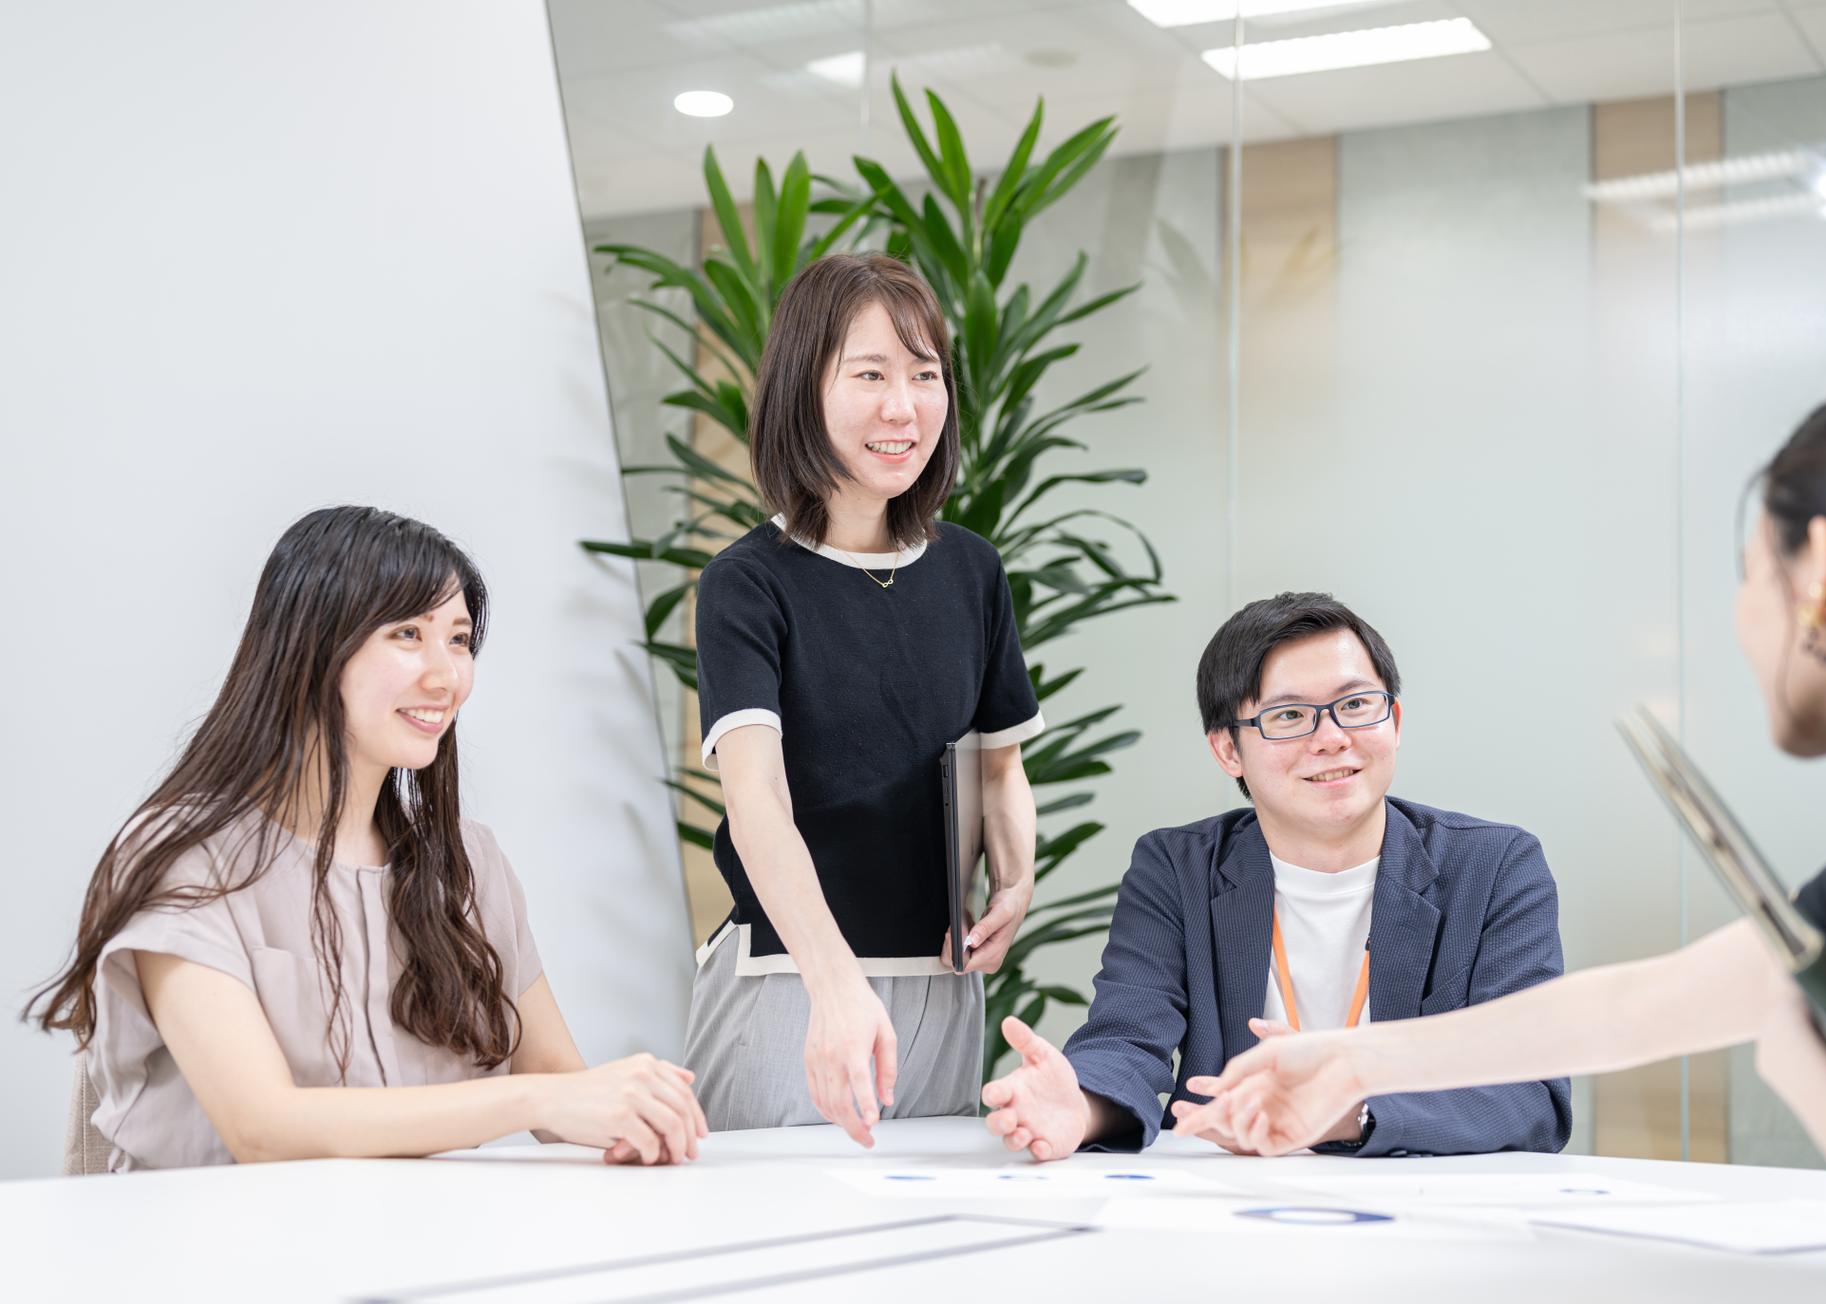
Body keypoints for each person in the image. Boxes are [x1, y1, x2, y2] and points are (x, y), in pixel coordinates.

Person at [1176, 365, 1826, 1283]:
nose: (1743, 620)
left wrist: (1800, 1070)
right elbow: (1641, 1006)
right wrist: (1352, 1065)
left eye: (1752, 576)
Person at [27, 506, 706, 1170]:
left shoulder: (467, 863)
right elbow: (262, 1127)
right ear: (313, 646)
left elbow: (556, 1078)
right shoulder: (183, 858)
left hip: (421, 1236)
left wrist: (630, 1111)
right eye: (408, 634)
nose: (447, 676)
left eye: (459, 639)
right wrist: (536, 1100)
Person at [980, 592, 1570, 1159]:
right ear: (1228, 751)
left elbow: (1532, 1093)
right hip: (1229, 1197)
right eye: (1289, 716)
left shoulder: (1494, 866)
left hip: (1426, 1199)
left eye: (1355, 705)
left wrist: (1343, 1113)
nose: (1331, 739)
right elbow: (1127, 1040)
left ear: (1394, 719)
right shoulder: (1178, 869)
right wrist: (1081, 1106)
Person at [683, 253, 1043, 1146]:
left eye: (925, 375)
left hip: (942, 990)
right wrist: (835, 984)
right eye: (871, 375)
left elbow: (1000, 767)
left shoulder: (972, 571)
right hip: (791, 981)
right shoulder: (747, 584)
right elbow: (756, 802)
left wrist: (1017, 880)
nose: (903, 407)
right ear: (803, 390)